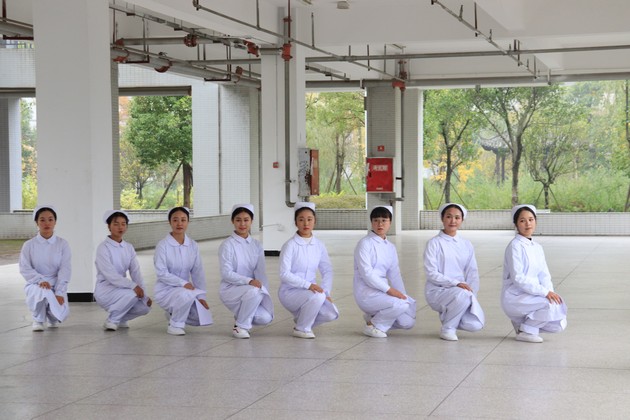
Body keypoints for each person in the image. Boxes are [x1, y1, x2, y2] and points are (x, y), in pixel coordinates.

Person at [502, 204, 568, 343]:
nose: (528, 224)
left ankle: (523, 325)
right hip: (516, 296)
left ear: (536, 222)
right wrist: (544, 293)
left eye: (531, 219)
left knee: (559, 321)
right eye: (522, 220)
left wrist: (550, 293)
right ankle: (526, 331)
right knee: (551, 307)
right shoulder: (515, 246)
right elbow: (518, 278)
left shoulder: (537, 247)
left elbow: (544, 275)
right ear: (516, 224)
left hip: (533, 295)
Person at [424, 203, 485, 341]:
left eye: (457, 217)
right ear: (442, 218)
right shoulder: (434, 243)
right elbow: (431, 273)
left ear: (462, 220)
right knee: (462, 295)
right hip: (438, 291)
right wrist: (456, 283)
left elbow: (472, 272)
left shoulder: (466, 244)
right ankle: (448, 329)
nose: (453, 221)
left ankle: (450, 313)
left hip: (462, 293)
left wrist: (472, 294)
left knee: (475, 324)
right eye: (449, 217)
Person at [353, 205, 416, 338]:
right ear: (371, 222)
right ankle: (373, 325)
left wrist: (402, 294)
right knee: (401, 305)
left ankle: (374, 317)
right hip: (367, 293)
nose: (380, 224)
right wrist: (390, 290)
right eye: (376, 220)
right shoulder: (364, 244)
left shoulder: (390, 247)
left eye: (384, 220)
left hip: (383, 292)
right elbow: (367, 274)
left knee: (407, 322)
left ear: (390, 222)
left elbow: (395, 274)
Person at [278, 202, 339, 339]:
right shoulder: (290, 245)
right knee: (318, 296)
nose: (306, 223)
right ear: (295, 222)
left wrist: (326, 291)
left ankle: (303, 320)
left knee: (331, 313)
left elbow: (327, 270)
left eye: (309, 219)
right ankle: (301, 328)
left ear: (315, 221)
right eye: (301, 219)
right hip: (290, 291)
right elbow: (284, 274)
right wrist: (308, 285)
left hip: (312, 291)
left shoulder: (319, 245)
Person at [154, 207, 212, 336]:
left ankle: (172, 313)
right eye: (175, 220)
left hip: (186, 291)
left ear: (188, 222)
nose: (179, 223)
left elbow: (198, 272)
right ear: (170, 222)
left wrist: (201, 297)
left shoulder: (193, 245)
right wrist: (183, 283)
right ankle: (175, 325)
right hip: (166, 291)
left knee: (200, 316)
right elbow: (161, 273)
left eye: (183, 220)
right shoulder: (163, 245)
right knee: (185, 294)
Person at [218, 204, 274, 339]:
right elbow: (226, 273)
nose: (242, 224)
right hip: (231, 289)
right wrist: (249, 281)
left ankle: (242, 314)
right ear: (232, 221)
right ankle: (240, 327)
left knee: (265, 318)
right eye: (238, 220)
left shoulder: (257, 245)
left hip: (252, 291)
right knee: (255, 290)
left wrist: (264, 292)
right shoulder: (227, 245)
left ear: (252, 221)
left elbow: (261, 273)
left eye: (246, 220)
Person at [94, 210, 152, 331]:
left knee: (145, 307)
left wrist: (145, 295)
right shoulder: (103, 248)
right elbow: (110, 275)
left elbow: (136, 272)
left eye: (123, 224)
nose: (120, 227)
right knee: (132, 293)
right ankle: (112, 320)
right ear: (109, 226)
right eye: (116, 224)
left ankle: (120, 318)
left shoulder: (128, 247)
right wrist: (133, 286)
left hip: (122, 289)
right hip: (106, 290)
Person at [19, 205, 71, 331]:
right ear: (36, 222)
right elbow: (24, 267)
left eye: (50, 219)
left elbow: (65, 269)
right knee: (42, 291)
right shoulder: (29, 245)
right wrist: (40, 280)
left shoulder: (62, 244)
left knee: (58, 312)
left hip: (55, 282)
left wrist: (59, 292)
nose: (47, 223)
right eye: (42, 220)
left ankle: (52, 317)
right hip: (35, 283)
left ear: (55, 222)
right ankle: (38, 319)